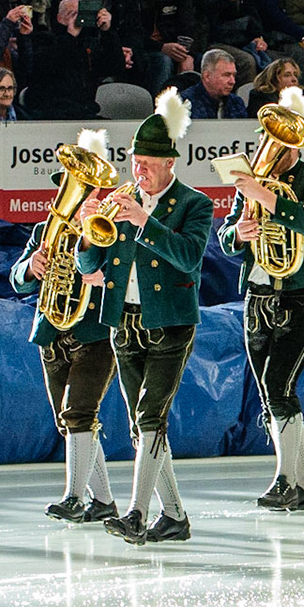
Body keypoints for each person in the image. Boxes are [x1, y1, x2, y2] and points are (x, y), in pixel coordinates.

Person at [77, 91, 213, 544]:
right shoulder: (120, 200)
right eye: (136, 162)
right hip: (123, 321)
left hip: (171, 322)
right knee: (141, 423)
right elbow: (88, 266)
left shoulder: (194, 204)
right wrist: (86, 233)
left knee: (151, 416)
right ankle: (173, 516)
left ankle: (136, 512)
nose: (140, 171)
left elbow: (190, 258)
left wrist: (144, 224)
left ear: (170, 163)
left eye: (150, 163)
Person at [218, 88, 304, 514]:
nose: (272, 148)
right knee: (272, 395)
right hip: (257, 294)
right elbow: (227, 237)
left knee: (278, 386)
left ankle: (286, 480)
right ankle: (302, 485)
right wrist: (239, 234)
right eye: (268, 139)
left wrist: (266, 197)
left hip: (300, 296)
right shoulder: (249, 180)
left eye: (282, 142)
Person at [11, 126, 118, 528]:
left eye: (88, 193)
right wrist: (30, 268)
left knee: (78, 414)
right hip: (52, 335)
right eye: (72, 192)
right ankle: (103, 500)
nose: (77, 201)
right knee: (72, 422)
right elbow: (16, 279)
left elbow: (120, 280)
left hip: (93, 335)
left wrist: (97, 263)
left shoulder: (108, 233)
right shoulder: (44, 231)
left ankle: (74, 497)